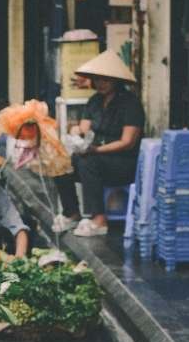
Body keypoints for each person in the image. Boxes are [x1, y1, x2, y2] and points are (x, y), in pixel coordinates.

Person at [52, 50, 145, 237]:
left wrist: (98, 150)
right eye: (98, 79)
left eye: (106, 80)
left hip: (123, 162)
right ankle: (72, 213)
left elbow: (127, 142)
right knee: (60, 163)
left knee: (89, 162)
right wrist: (76, 133)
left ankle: (99, 219)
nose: (101, 84)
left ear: (116, 81)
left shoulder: (130, 104)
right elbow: (84, 128)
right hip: (97, 157)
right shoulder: (95, 101)